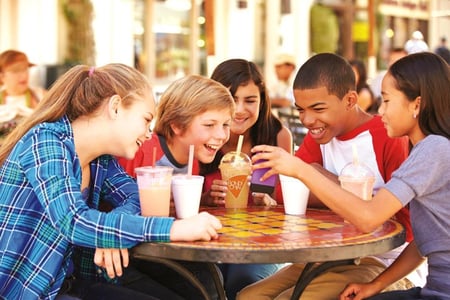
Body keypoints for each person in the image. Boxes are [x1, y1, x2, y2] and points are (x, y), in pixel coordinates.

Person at [0, 63, 223, 300]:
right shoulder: (45, 142)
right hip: (25, 292)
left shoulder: (101, 161)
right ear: (116, 107)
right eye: (145, 120)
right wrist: (175, 229)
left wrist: (110, 228)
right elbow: (72, 221)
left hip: (71, 284)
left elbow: (136, 195)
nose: (149, 133)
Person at [250, 52, 450, 299]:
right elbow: (424, 239)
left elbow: (374, 219)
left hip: (390, 265)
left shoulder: (428, 148)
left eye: (386, 101)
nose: (380, 109)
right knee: (251, 295)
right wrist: (375, 286)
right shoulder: (428, 148)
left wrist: (306, 172)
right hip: (341, 257)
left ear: (416, 105)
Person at [118, 74, 235, 299]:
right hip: (133, 256)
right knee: (206, 285)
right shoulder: (141, 151)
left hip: (168, 248)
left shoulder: (194, 159)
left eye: (226, 125)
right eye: (210, 125)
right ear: (177, 126)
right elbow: (110, 203)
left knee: (212, 280)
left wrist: (203, 200)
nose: (221, 135)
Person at [200, 58, 292, 300]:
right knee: (206, 285)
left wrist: (270, 203)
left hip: (257, 243)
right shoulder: (201, 135)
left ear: (262, 101)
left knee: (244, 283)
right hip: (206, 242)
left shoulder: (277, 137)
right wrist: (206, 198)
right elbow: (179, 198)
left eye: (250, 100)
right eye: (231, 99)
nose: (240, 110)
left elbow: (286, 203)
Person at [0, 50, 45, 115]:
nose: (24, 75)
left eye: (25, 69)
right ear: (2, 76)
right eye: (16, 71)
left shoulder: (41, 96)